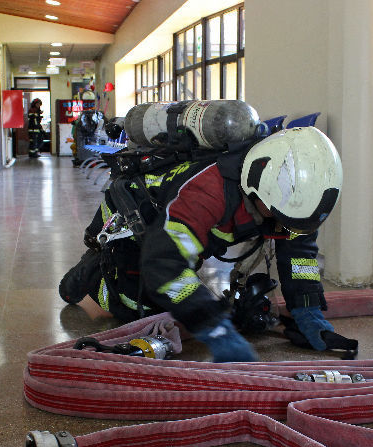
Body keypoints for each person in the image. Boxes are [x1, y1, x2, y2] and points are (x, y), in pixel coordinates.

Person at [59, 126, 343, 363]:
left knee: (184, 299)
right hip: (132, 217)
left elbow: (300, 256)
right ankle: (84, 277)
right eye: (279, 219)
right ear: (258, 189)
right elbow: (164, 264)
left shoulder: (294, 201)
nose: (284, 228)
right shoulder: (208, 192)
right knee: (139, 311)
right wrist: (215, 328)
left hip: (178, 230)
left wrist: (307, 311)